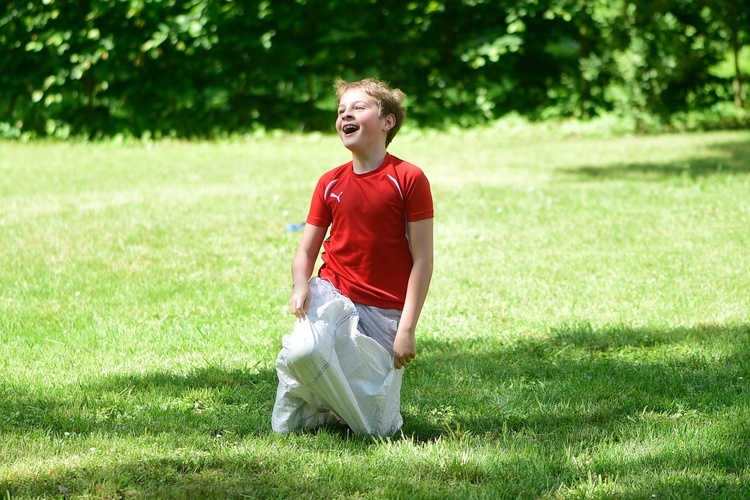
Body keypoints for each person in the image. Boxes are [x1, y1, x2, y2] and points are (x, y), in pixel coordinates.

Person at [271, 78, 434, 436]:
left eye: (358, 108)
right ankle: (317, 407)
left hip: (383, 309)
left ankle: (336, 408)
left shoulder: (408, 178)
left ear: (387, 121)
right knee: (302, 354)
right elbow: (305, 252)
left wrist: (406, 330)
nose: (346, 114)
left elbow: (423, 259)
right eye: (341, 110)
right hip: (333, 294)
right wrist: (301, 285)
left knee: (378, 430)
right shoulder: (330, 181)